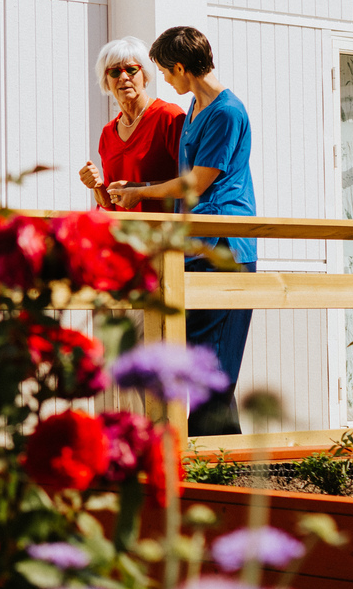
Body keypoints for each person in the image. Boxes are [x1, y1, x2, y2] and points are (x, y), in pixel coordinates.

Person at [109, 26, 256, 436]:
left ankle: (215, 466)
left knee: (214, 369)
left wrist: (140, 190)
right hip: (193, 246)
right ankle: (208, 462)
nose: (165, 81)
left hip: (226, 248)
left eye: (164, 72)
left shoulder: (227, 112)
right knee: (188, 359)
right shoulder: (194, 108)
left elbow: (195, 183)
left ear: (179, 67)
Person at [78, 37, 184, 212]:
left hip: (163, 235)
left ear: (145, 75)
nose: (123, 77)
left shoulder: (169, 117)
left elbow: (191, 184)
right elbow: (111, 204)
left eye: (131, 69)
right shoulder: (108, 133)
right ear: (106, 79)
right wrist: (97, 186)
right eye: (114, 72)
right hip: (123, 235)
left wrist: (141, 189)